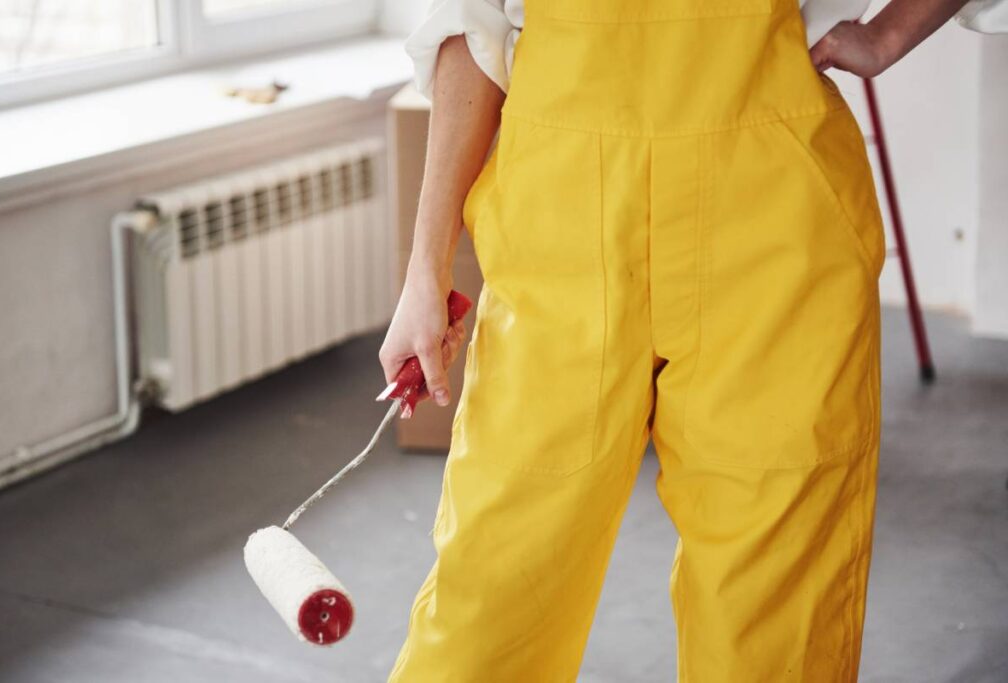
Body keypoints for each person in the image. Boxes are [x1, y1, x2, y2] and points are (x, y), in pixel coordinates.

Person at [379, 0, 1006, 680]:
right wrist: (425, 268)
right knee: (493, 577)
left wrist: (889, 35)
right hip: (561, 222)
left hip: (772, 220)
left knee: (773, 609)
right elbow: (470, 27)